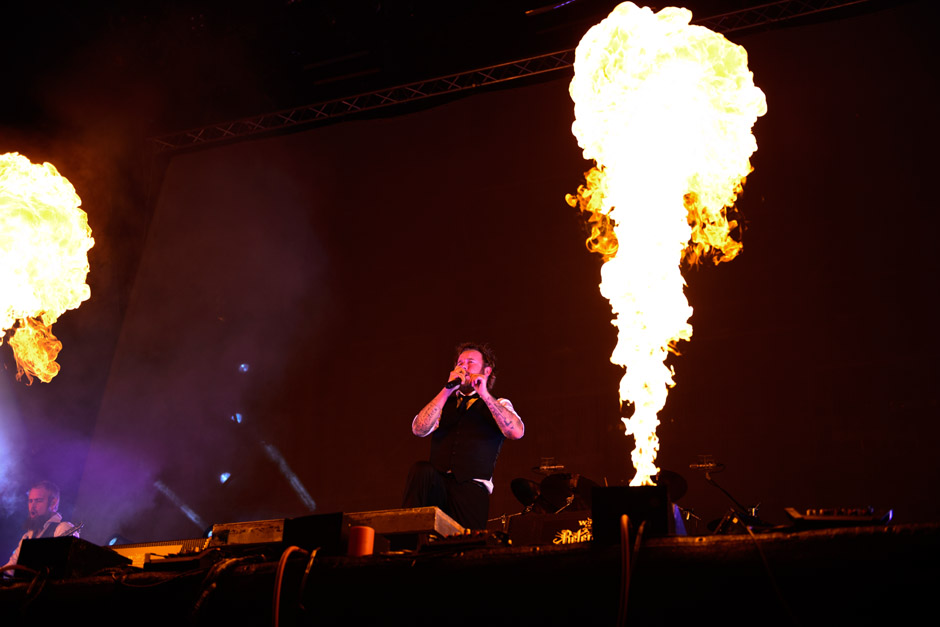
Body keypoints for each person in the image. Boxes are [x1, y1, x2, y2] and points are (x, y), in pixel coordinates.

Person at [403, 342, 524, 530]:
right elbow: (419, 429)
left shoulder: (499, 403)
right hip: (438, 486)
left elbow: (516, 432)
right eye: (460, 363)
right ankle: (406, 542)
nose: (463, 367)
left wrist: (484, 393)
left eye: (470, 362)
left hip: (471, 490)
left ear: (486, 370)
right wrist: (447, 389)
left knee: (464, 546)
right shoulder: (444, 403)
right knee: (421, 471)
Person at [3, 480, 79, 572]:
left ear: (53, 503)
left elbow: (68, 568)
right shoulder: (27, 537)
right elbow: (9, 569)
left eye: (38, 501)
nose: (32, 506)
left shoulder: (62, 529)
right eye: (30, 501)